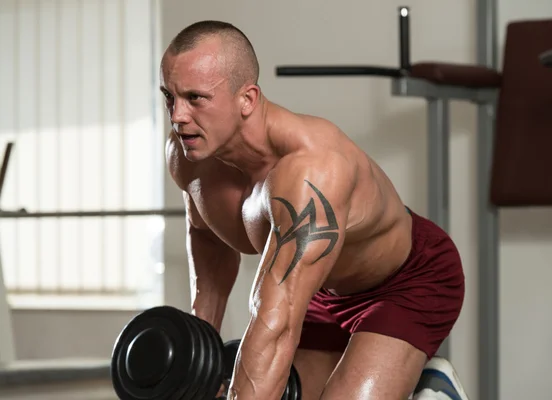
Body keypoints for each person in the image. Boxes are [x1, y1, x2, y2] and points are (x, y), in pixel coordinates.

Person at [162, 19, 466, 400]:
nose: (177, 115)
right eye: (169, 97)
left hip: (405, 282)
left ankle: (429, 390)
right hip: (321, 288)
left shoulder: (310, 170)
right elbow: (208, 242)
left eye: (195, 98)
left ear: (247, 99)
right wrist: (199, 366)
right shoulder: (189, 157)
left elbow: (274, 322)